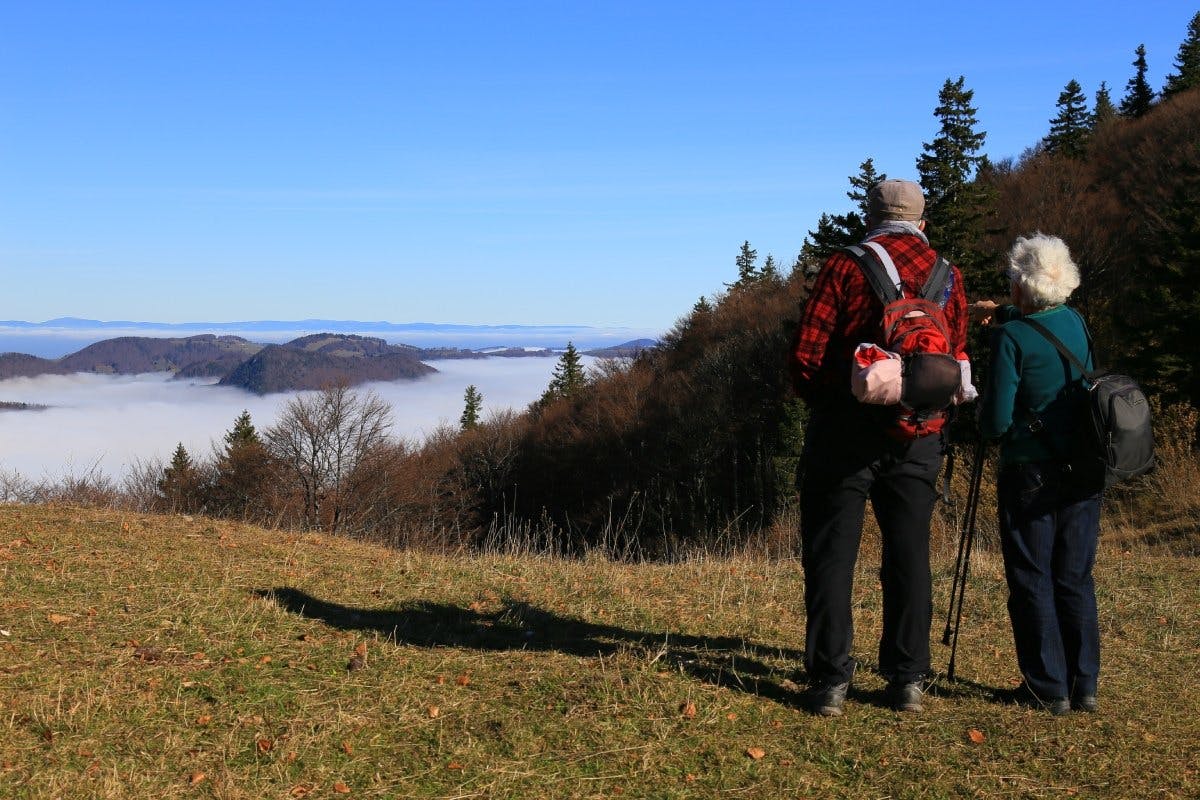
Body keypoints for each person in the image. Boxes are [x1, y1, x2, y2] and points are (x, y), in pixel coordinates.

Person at [790, 179, 969, 715]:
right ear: (922, 220)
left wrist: (832, 402)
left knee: (832, 555)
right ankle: (907, 678)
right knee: (909, 553)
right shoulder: (947, 276)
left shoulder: (845, 267)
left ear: (872, 217)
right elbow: (955, 356)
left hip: (845, 435)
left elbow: (807, 355)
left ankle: (829, 683)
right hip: (919, 435)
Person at [975, 233, 1102, 716]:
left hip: (1031, 471)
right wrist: (1001, 311)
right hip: (1084, 467)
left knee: (1031, 575)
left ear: (1023, 287)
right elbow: (1037, 327)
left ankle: (1046, 687)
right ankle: (1083, 684)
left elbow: (996, 423)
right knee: (1074, 575)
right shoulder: (1074, 320)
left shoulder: (1011, 338)